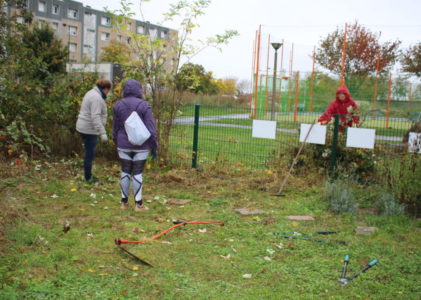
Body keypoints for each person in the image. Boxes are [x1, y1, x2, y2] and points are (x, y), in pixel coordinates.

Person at [112, 79, 157, 213]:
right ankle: (139, 205)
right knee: (137, 172)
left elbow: (114, 128)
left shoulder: (118, 105)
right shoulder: (144, 106)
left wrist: (117, 141)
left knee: (125, 171)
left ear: (125, 89)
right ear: (139, 89)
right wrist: (154, 147)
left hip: (123, 144)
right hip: (141, 146)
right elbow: (151, 129)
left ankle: (123, 203)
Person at [76, 79, 112, 184]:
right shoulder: (96, 97)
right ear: (105, 89)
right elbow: (95, 116)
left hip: (83, 127)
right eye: (108, 91)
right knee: (89, 154)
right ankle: (88, 178)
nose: (108, 93)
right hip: (89, 129)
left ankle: (88, 175)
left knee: (88, 153)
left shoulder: (91, 92)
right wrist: (102, 132)